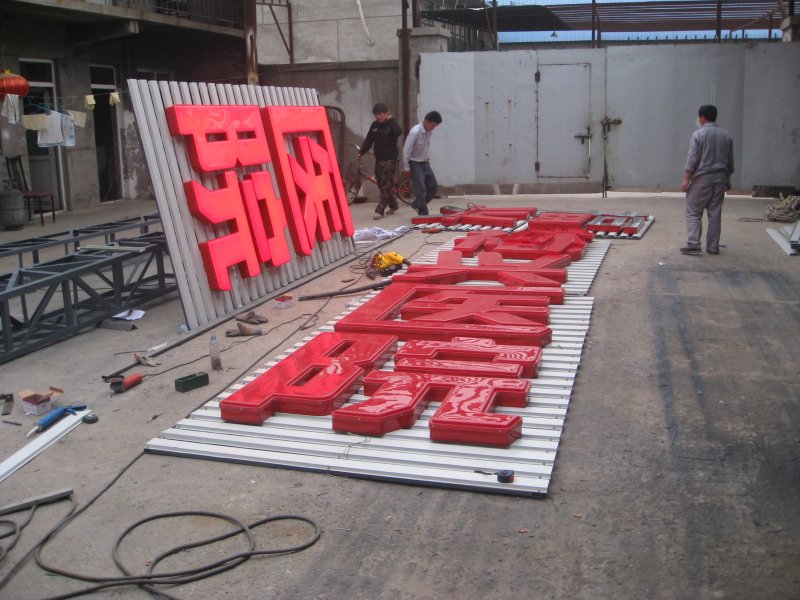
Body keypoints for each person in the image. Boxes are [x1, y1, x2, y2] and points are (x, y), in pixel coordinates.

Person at [680, 104, 734, 255]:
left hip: (702, 179)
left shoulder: (698, 135)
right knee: (715, 214)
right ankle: (712, 247)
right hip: (720, 179)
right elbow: (730, 162)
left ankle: (693, 244)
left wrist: (686, 179)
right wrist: (728, 180)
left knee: (693, 211)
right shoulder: (726, 136)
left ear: (702, 118)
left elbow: (692, 159)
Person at [358, 103, 403, 220]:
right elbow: (368, 140)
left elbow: (398, 132)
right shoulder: (374, 126)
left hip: (390, 160)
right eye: (376, 115)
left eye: (380, 114)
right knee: (381, 184)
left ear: (386, 113)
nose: (378, 117)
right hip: (379, 159)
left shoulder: (392, 124)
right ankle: (393, 205)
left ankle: (380, 210)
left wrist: (392, 120)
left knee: (386, 185)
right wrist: (361, 152)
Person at [402, 110, 443, 216]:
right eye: (433, 125)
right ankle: (423, 213)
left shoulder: (429, 132)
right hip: (415, 163)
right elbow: (406, 151)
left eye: (435, 126)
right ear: (427, 121)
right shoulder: (415, 132)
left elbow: (425, 147)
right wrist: (406, 168)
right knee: (420, 188)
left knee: (433, 186)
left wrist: (427, 159)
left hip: (425, 163)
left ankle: (417, 204)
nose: (434, 127)